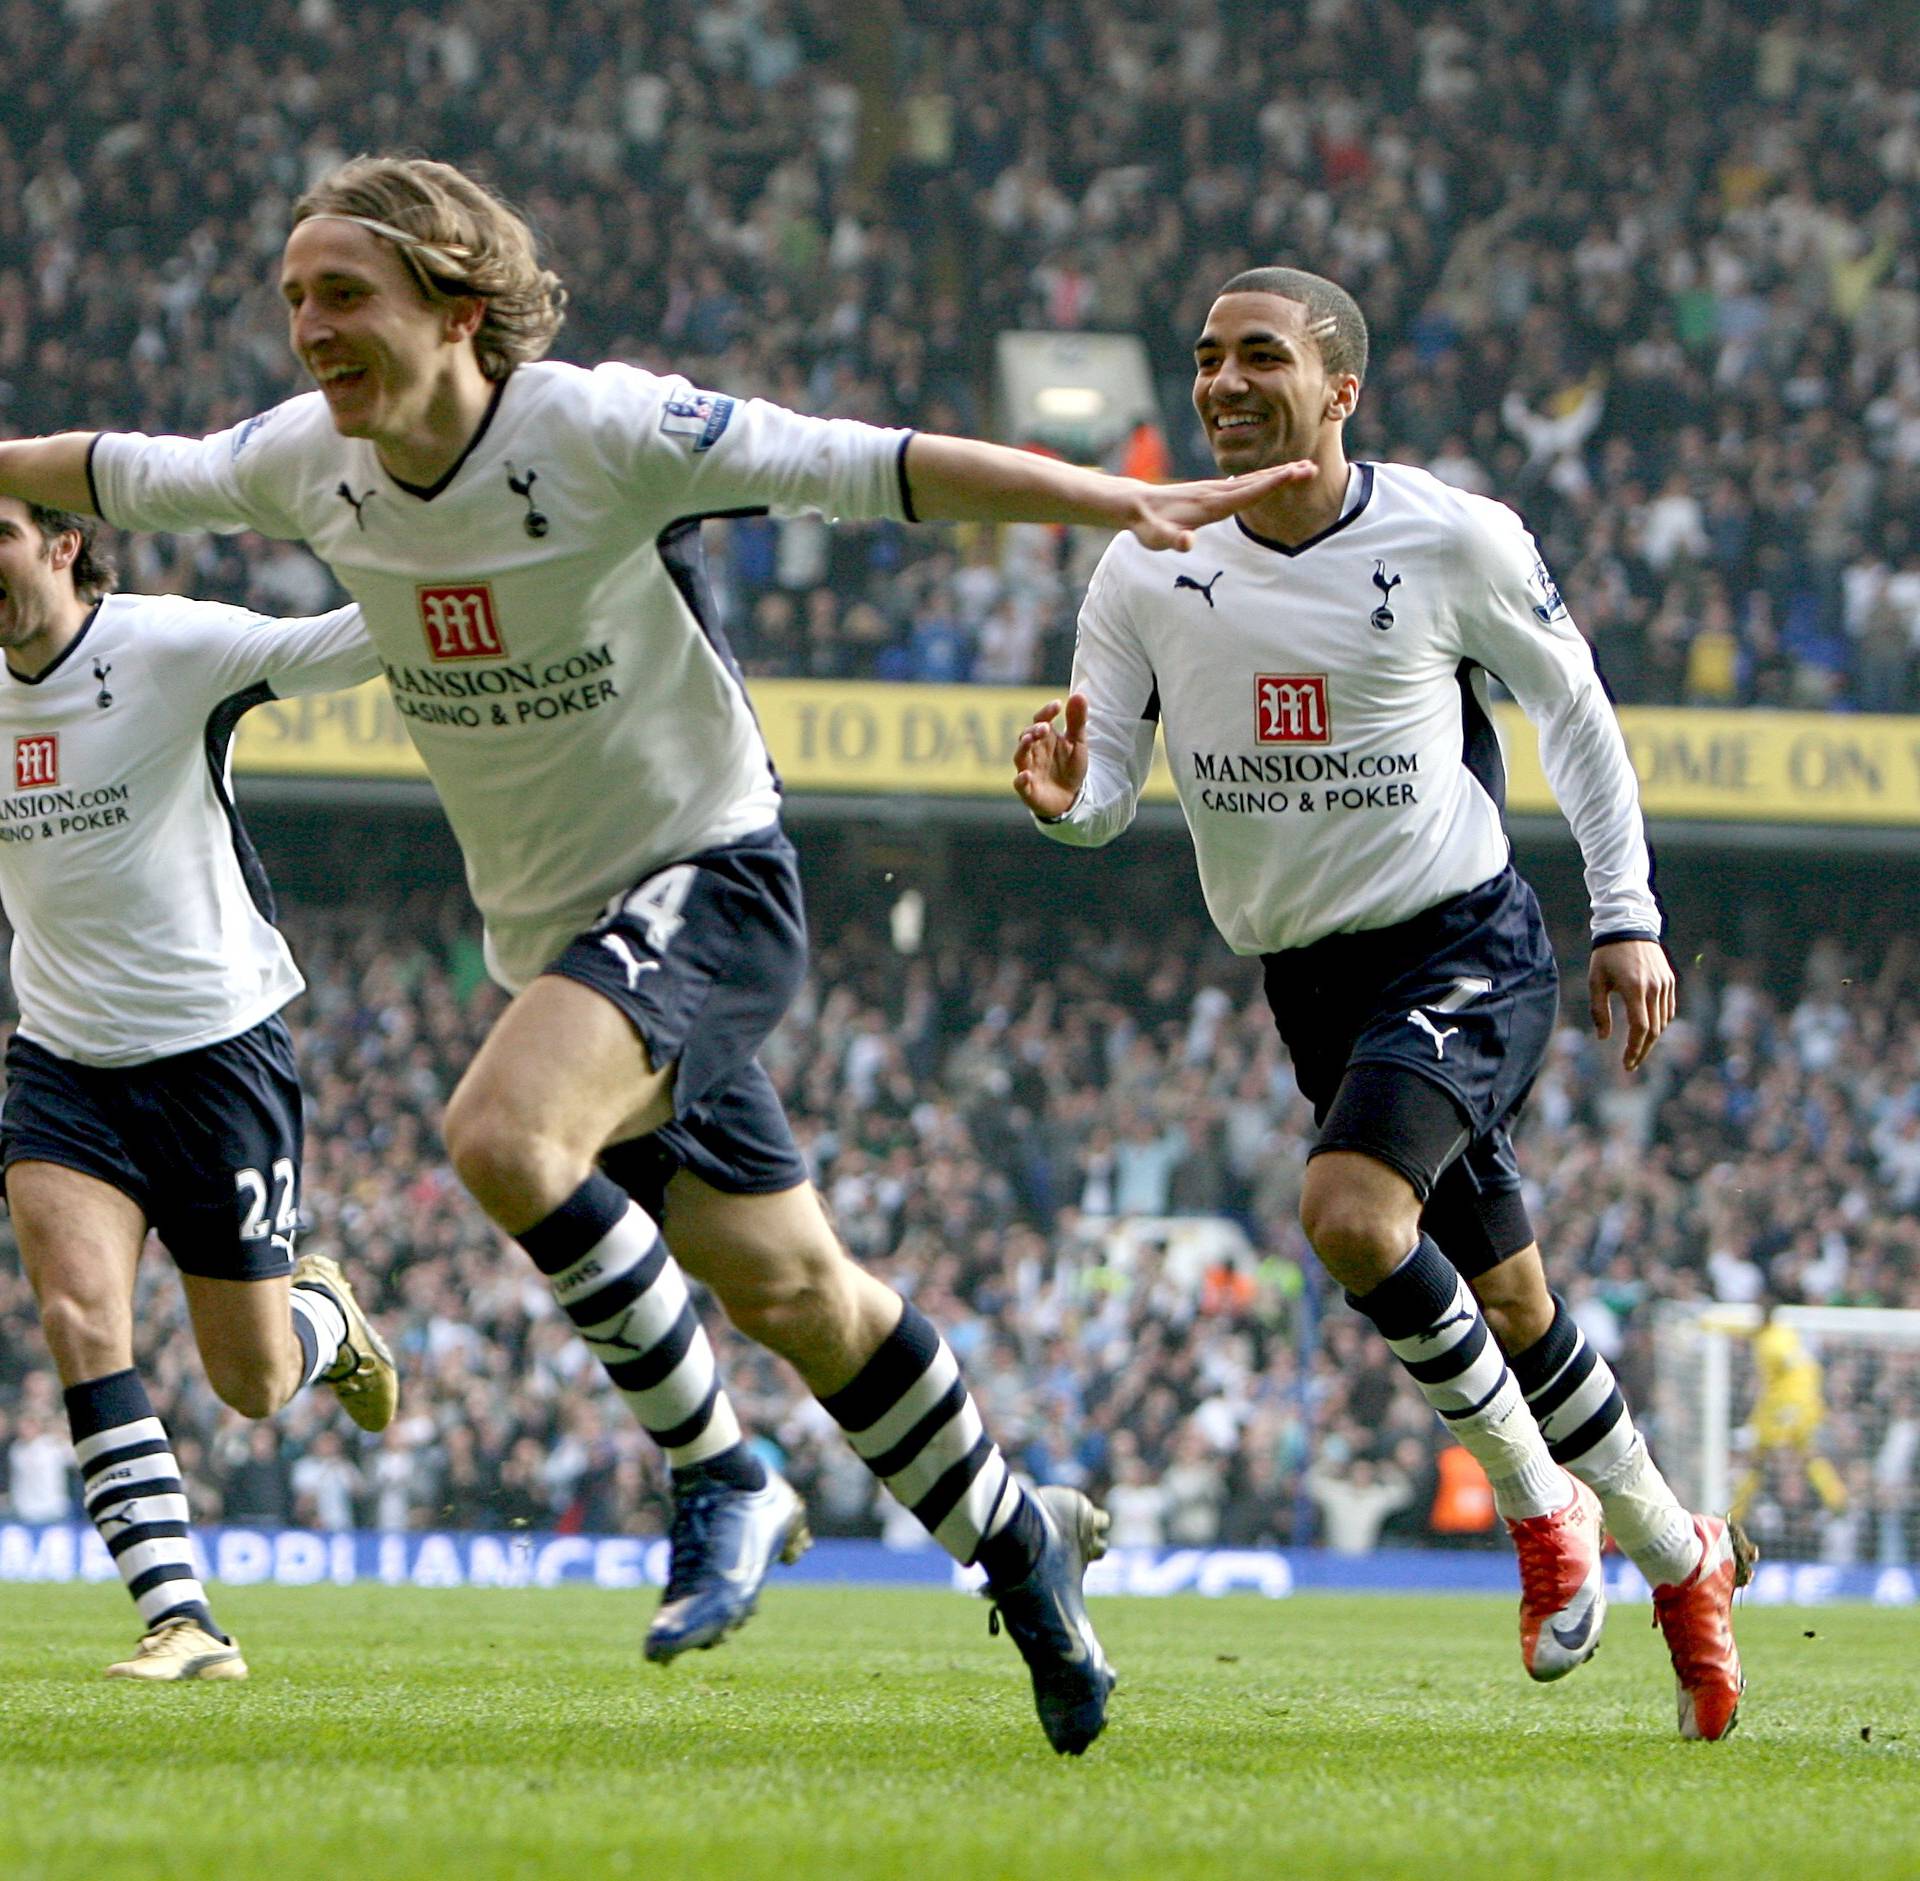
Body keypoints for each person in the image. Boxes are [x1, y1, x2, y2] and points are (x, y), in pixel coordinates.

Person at [0, 156, 1307, 1751]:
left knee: (499, 1132)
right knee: (798, 1291)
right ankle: (1025, 1546)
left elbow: (868, 466)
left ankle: (722, 1476)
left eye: (343, 294)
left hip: (709, 875)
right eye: (291, 299)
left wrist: (1114, 497)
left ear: (458, 307)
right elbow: (100, 463)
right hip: (559, 936)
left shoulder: (599, 427)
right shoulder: (299, 462)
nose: (307, 329)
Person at [1014, 266, 1752, 1741]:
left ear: (1340, 391)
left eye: (1261, 357)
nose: (1222, 382)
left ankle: (1544, 1519)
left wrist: (1627, 918)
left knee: (1351, 1215)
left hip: (1465, 941)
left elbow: (1578, 713)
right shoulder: (1143, 568)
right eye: (1207, 357)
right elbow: (1105, 794)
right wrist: (1063, 801)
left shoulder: (1449, 536)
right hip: (1309, 977)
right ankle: (1689, 1555)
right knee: (1518, 1305)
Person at [0, 495, 397, 1680]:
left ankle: (326, 1321)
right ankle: (183, 1619)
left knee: (256, 1379)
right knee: (78, 1321)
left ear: (63, 543)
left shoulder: (169, 648)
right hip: (61, 1060)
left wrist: (448, 543)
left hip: (217, 1055)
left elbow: (338, 646)